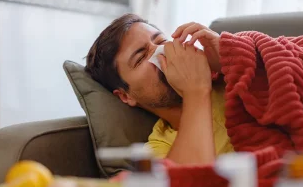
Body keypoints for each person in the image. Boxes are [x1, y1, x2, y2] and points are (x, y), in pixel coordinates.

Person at [86, 14, 233, 165]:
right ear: (125, 95)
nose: (160, 51)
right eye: (141, 57)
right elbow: (188, 182)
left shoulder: (231, 79)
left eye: (162, 41)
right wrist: (195, 91)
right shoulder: (159, 149)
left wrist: (231, 57)